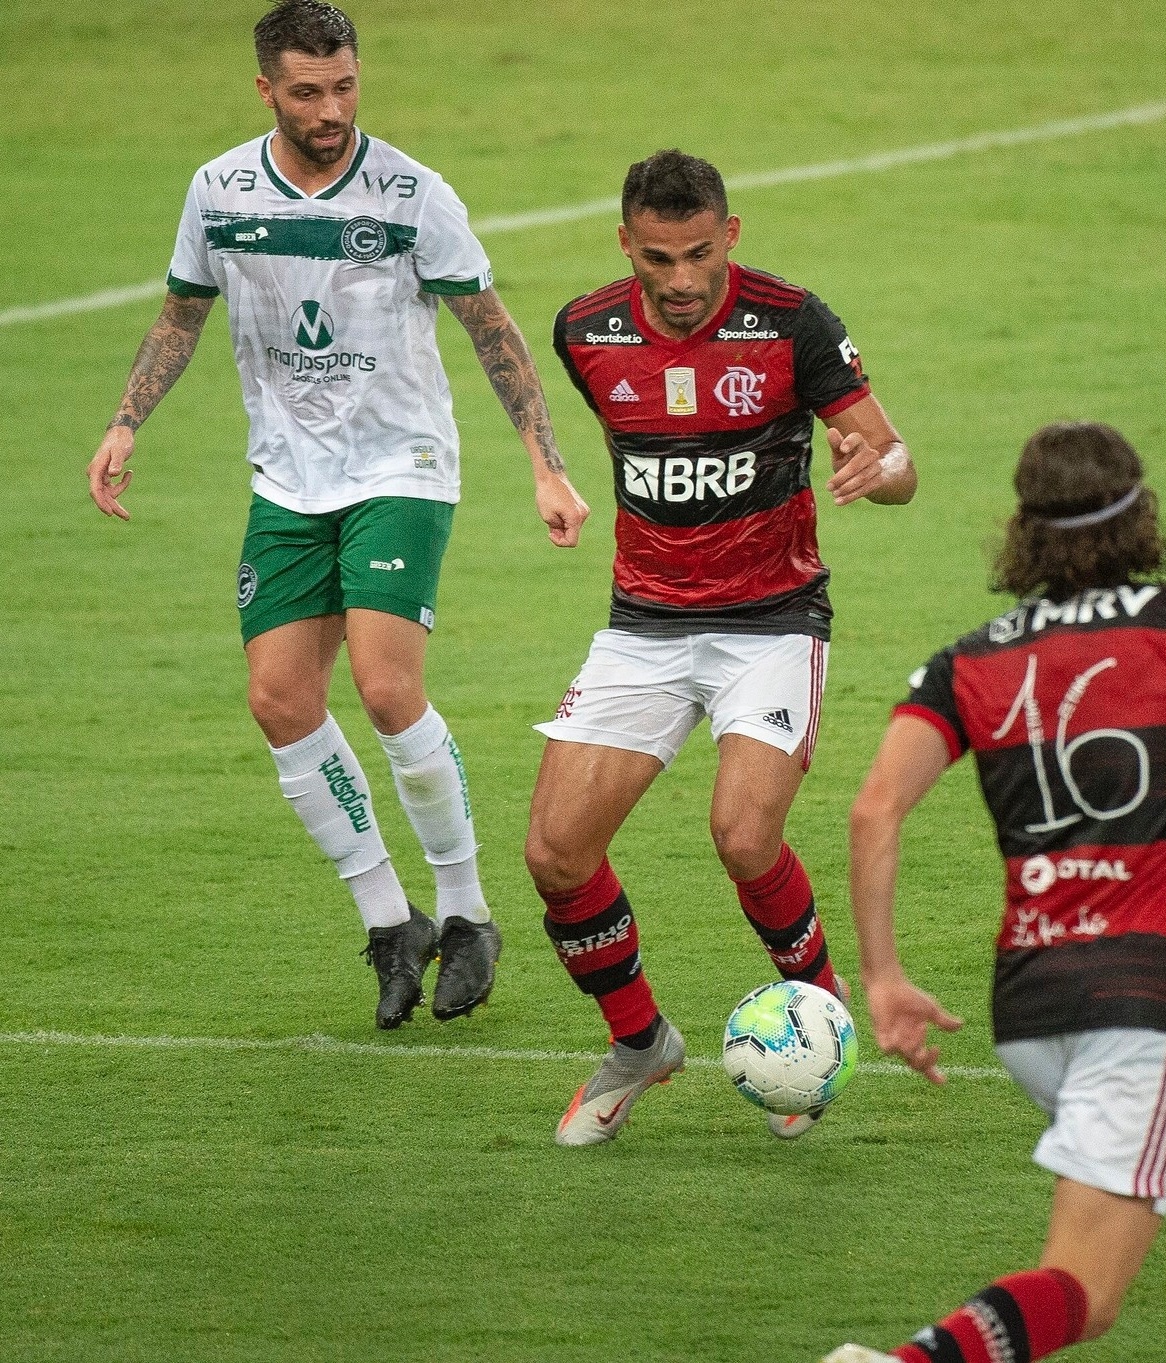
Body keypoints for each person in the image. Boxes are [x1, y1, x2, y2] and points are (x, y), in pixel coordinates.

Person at [86, 0, 588, 1030]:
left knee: (385, 684)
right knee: (278, 700)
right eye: (308, 91)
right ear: (266, 88)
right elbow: (182, 311)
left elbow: (492, 330)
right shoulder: (218, 190)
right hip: (286, 477)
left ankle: (466, 911)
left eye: (346, 86)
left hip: (400, 467)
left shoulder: (412, 193)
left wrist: (546, 464)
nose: (331, 109)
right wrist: (126, 423)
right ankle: (387, 920)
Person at [825, 421, 1166, 1363]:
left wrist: (883, 975)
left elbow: (872, 810)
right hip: (1137, 1003)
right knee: (1085, 1294)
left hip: (1029, 1012)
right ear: (1140, 515)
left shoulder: (968, 659)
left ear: (1023, 528)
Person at [522, 149, 917, 1147]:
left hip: (772, 621)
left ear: (730, 236)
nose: (683, 279)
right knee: (555, 854)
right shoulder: (585, 330)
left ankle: (817, 1026)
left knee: (743, 834)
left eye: (700, 253)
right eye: (659, 258)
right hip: (643, 625)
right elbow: (588, 426)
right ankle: (639, 1043)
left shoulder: (792, 323)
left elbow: (895, 454)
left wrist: (881, 469)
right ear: (626, 246)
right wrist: (550, 479)